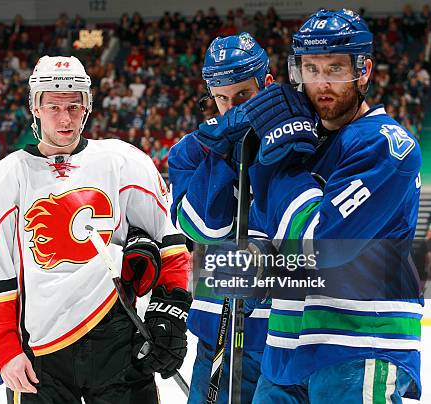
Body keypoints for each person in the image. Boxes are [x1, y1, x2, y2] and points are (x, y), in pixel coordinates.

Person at [199, 9, 422, 402]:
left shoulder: (385, 145)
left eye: (335, 69)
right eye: (310, 69)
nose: (321, 83)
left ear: (364, 69)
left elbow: (319, 247)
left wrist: (276, 163)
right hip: (284, 353)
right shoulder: (306, 143)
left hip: (358, 346)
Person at [0, 56, 192, 403]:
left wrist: (170, 315)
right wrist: (5, 351)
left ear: (87, 106)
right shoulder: (4, 176)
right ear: (35, 106)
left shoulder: (123, 161)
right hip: (41, 353)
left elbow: (170, 243)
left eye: (74, 106)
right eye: (54, 106)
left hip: (119, 340)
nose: (65, 118)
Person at [167, 33, 274, 403]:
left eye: (243, 96)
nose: (231, 110)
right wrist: (222, 153)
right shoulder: (190, 151)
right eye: (222, 98)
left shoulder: (301, 144)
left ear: (268, 85)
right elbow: (203, 227)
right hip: (217, 335)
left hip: (284, 335)